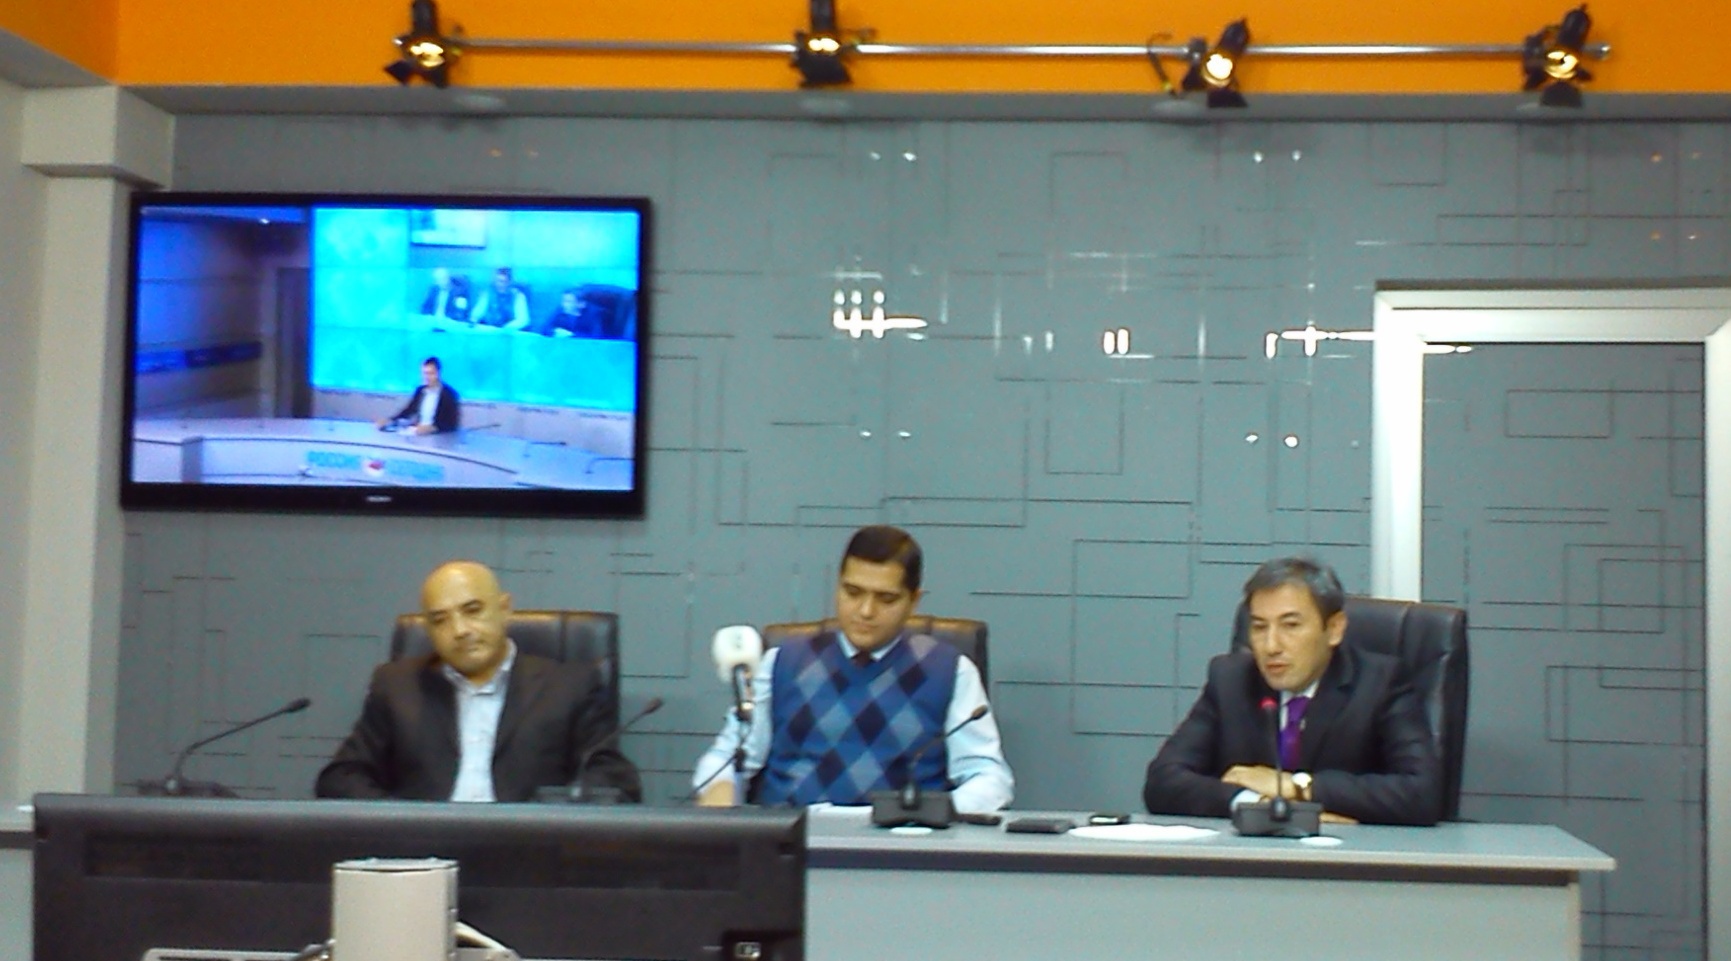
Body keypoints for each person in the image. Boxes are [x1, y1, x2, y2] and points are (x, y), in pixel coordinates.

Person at [693, 525, 1014, 813]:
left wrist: (926, 811)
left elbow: (990, 778)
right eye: (853, 592)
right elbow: (727, 759)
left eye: (885, 598)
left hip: (901, 843)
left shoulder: (950, 671)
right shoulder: (781, 662)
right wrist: (719, 793)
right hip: (790, 843)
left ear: (913, 600)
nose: (865, 611)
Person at [1142, 557, 1441, 826]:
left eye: (1290, 625)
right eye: (1259, 627)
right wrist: (1262, 805)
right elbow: (1163, 782)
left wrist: (1297, 787)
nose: (1271, 646)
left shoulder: (1381, 683)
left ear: (1334, 629)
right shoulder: (1230, 681)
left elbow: (1422, 793)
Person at [316, 560, 641, 802]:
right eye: (440, 620)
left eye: (472, 610)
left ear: (504, 609)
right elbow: (341, 777)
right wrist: (402, 826)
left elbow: (612, 781)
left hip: (528, 853)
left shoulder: (569, 686)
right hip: (421, 854)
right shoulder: (396, 686)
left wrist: (552, 822)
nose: (459, 630)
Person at [377, 356, 460, 434]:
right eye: (425, 373)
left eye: (431, 373)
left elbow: (452, 424)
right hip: (418, 434)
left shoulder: (449, 394)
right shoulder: (420, 391)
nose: (427, 377)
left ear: (438, 373)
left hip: (439, 437)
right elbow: (408, 410)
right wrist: (390, 420)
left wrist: (432, 428)